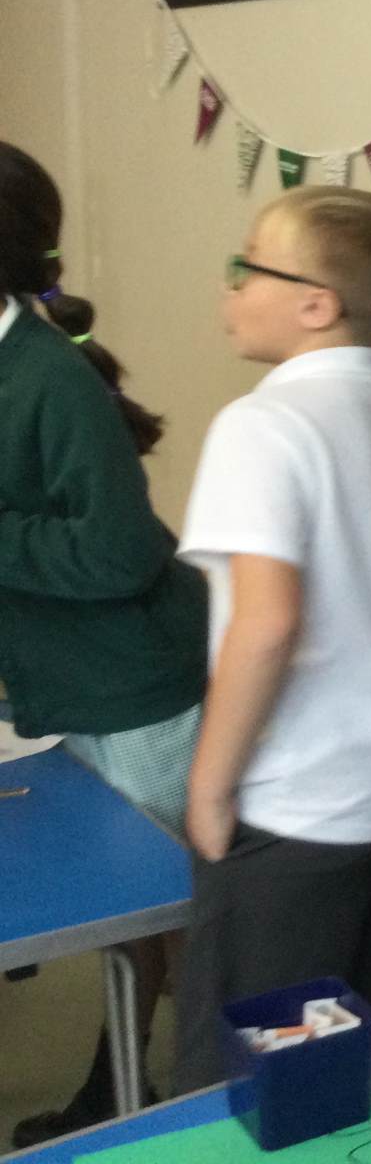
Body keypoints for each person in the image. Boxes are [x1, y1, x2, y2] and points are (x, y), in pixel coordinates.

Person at [172, 186, 371, 1090]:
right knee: (369, 1048)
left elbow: (266, 623)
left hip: (294, 810)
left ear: (316, 306)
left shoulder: (261, 426)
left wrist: (207, 785)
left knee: (255, 1083)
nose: (231, 286)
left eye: (247, 267)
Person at [0, 142, 207, 1146]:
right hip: (64, 681)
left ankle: (166, 1101)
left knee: (154, 912)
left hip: (137, 689)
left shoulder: (48, 379)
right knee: (129, 912)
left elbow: (122, 554)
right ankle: (125, 1087)